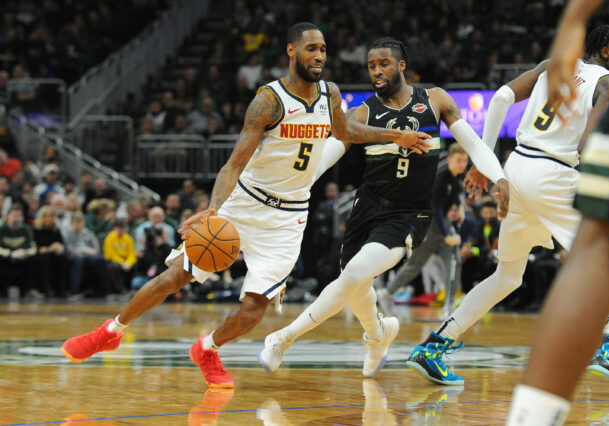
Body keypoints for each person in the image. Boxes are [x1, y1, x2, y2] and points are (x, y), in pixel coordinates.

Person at [60, 23, 430, 389]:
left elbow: (346, 133)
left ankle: (207, 349)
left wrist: (398, 135)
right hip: (246, 202)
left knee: (255, 308)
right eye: (311, 49)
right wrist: (214, 208)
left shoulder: (329, 93)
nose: (319, 56)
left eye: (322, 50)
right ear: (291, 51)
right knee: (176, 276)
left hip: (288, 218)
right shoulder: (268, 100)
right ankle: (111, 331)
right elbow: (234, 163)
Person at [257, 37, 509, 377]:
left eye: (384, 64)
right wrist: (299, 183)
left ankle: (284, 337)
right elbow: (331, 150)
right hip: (368, 206)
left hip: (408, 213)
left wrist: (499, 178)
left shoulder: (434, 99)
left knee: (356, 275)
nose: (377, 71)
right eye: (372, 66)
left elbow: (473, 144)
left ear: (401, 65)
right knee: (355, 285)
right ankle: (377, 335)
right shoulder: (362, 112)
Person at [405, 23, 609, 388]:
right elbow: (588, 147)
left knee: (509, 276)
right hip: (555, 174)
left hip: (517, 167)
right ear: (606, 51)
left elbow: (499, 99)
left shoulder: (552, 65)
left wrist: (485, 161)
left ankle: (434, 345)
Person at [506, 2, 609, 424]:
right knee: (608, 254)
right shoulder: (607, 82)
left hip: (540, 163)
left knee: (597, 253)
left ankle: (532, 417)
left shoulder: (601, 78)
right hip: (562, 161)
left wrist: (573, 21)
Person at [381, 143, 469, 309]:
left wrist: (461, 208)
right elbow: (434, 209)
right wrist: (447, 235)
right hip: (428, 224)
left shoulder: (455, 177)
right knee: (416, 265)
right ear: (450, 159)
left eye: (464, 161)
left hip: (441, 222)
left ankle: (451, 302)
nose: (462, 164)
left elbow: (456, 194)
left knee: (454, 259)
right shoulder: (440, 177)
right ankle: (387, 292)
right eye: (459, 160)